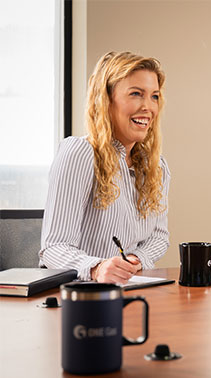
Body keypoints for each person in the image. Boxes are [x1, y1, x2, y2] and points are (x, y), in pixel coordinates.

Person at [40, 51, 170, 284]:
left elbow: (159, 237)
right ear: (106, 99)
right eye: (136, 94)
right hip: (76, 296)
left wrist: (135, 259)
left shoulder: (156, 166)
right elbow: (53, 247)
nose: (148, 107)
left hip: (126, 290)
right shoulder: (80, 153)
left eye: (154, 96)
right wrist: (97, 268)